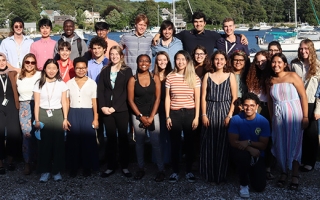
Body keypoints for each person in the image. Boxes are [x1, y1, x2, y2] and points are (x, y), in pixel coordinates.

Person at [267, 53, 308, 190]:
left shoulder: (293, 76)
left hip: (294, 113)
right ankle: (284, 171)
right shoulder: (270, 80)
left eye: (279, 62)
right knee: (280, 143)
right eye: (273, 62)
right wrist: (272, 117)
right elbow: (270, 102)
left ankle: (295, 174)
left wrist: (306, 116)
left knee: (295, 143)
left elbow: (303, 96)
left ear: (285, 64)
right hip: (278, 115)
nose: (276, 65)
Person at [200, 50, 237, 184]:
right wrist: (203, 114)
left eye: (222, 59)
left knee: (223, 143)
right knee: (209, 142)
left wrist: (230, 115)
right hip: (210, 109)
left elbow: (234, 98)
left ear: (226, 61)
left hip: (225, 110)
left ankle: (221, 174)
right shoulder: (207, 75)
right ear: (212, 61)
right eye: (216, 59)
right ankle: (209, 173)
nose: (219, 62)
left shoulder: (230, 76)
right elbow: (203, 97)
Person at [127, 54, 164, 181]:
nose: (144, 63)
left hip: (154, 114)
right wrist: (141, 116)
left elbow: (158, 98)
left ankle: (160, 169)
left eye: (147, 61)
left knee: (156, 143)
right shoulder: (133, 80)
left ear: (150, 63)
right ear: (137, 63)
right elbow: (130, 100)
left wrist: (152, 116)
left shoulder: (155, 78)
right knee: (139, 143)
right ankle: (141, 168)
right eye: (141, 61)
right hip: (138, 115)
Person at [165, 50, 201, 183]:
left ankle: (189, 170)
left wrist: (197, 117)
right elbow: (167, 98)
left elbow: (197, 99)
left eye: (183, 59)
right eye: (178, 59)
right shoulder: (170, 76)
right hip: (174, 113)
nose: (180, 62)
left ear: (187, 61)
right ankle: (175, 171)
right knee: (174, 143)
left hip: (190, 113)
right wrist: (168, 116)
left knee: (189, 143)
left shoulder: (194, 78)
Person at [97, 46, 133, 178]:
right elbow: (100, 90)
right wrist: (102, 107)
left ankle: (124, 166)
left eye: (116, 54)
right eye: (111, 54)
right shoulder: (105, 70)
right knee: (111, 138)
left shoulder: (127, 70)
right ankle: (111, 166)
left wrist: (115, 107)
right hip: (106, 109)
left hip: (121, 109)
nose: (114, 56)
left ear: (121, 55)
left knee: (123, 137)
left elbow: (126, 91)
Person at [33, 59, 69, 182]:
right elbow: (36, 103)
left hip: (58, 113)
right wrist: (37, 120)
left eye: (54, 68)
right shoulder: (38, 83)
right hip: (43, 113)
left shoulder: (61, 83)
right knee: (44, 145)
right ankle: (45, 171)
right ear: (44, 69)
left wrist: (65, 118)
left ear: (57, 69)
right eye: (49, 68)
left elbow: (64, 102)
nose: (52, 71)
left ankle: (56, 170)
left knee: (58, 144)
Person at [228, 92, 270, 198]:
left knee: (259, 187)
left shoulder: (263, 122)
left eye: (252, 105)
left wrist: (248, 142)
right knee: (243, 156)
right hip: (240, 152)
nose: (248, 108)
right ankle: (244, 184)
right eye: (246, 105)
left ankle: (251, 171)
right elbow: (233, 142)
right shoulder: (236, 120)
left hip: (257, 154)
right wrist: (249, 148)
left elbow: (263, 145)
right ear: (242, 106)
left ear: (257, 106)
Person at [153, 12, 247, 56]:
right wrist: (158, 34)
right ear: (193, 23)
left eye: (201, 21)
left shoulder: (212, 35)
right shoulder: (185, 34)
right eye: (196, 22)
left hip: (207, 71)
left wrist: (240, 35)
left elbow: (228, 34)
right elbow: (168, 34)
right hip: (190, 71)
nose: (198, 24)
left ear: (205, 23)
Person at [66, 57, 99, 177]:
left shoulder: (92, 83)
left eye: (83, 68)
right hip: (73, 113)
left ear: (87, 68)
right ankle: (73, 167)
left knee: (88, 141)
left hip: (87, 112)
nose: (81, 70)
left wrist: (96, 118)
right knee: (73, 141)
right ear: (74, 68)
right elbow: (67, 102)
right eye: (78, 68)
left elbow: (94, 102)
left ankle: (87, 167)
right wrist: (66, 118)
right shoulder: (69, 83)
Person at [291, 39, 320, 172]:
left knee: (311, 133)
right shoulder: (294, 64)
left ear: (311, 49)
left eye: (306, 48)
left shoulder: (318, 66)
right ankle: (299, 159)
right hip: (296, 101)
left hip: (311, 102)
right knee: (298, 133)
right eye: (301, 48)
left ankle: (310, 161)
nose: (303, 51)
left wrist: (318, 109)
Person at [246, 51, 274, 179]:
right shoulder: (252, 74)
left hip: (267, 108)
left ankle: (267, 167)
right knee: (253, 137)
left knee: (266, 139)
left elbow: (270, 97)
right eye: (257, 61)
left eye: (263, 61)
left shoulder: (271, 75)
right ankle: (252, 164)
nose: (260, 63)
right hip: (255, 108)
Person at [16, 53, 41, 175]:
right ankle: (27, 163)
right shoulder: (18, 77)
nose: (30, 65)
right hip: (24, 107)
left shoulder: (40, 75)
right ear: (24, 63)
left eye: (32, 62)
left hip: (38, 105)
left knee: (38, 134)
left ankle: (38, 161)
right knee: (26, 136)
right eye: (27, 62)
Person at [0, 53, 21, 175]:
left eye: (3, 60)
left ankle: (10, 159)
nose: (1, 62)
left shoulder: (13, 74)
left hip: (12, 106)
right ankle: (0, 162)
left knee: (14, 132)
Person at [153, 51, 172, 165]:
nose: (162, 62)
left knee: (169, 135)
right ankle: (158, 160)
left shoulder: (172, 74)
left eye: (164, 60)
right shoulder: (151, 75)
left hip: (169, 107)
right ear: (156, 62)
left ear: (168, 61)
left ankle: (169, 159)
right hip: (156, 107)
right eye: (160, 60)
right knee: (157, 134)